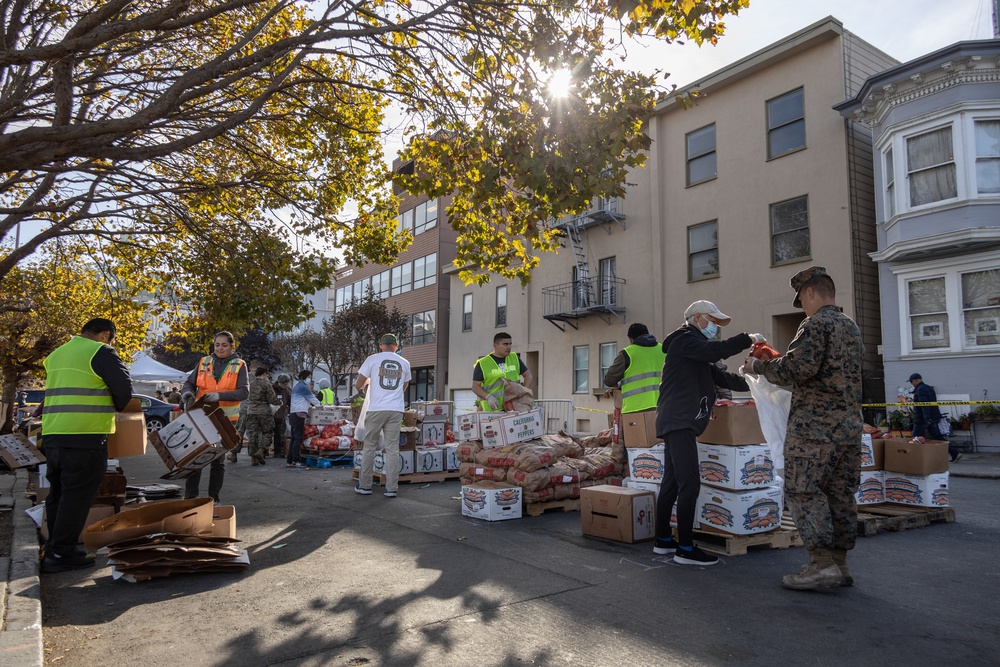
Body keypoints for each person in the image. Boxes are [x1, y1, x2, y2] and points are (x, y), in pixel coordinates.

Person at [743, 266, 863, 590]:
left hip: (815, 430)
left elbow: (798, 368)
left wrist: (759, 366)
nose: (803, 308)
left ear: (810, 292)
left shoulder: (815, 324)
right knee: (840, 494)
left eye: (802, 300)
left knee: (804, 491)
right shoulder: (850, 327)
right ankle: (839, 563)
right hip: (849, 429)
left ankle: (821, 564)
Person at [653, 300, 762, 567]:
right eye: (712, 321)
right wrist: (747, 339)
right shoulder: (685, 341)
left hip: (677, 420)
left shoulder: (695, 352)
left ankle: (664, 541)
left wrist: (758, 381)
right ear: (698, 318)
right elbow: (717, 351)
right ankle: (686, 548)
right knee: (689, 483)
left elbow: (723, 378)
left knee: (672, 481)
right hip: (679, 421)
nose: (715, 327)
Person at [40, 318, 132, 573]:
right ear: (105, 335)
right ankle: (61, 553)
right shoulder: (101, 351)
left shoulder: (57, 354)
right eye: (111, 339)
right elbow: (124, 390)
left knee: (58, 493)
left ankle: (54, 548)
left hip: (54, 433)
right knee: (77, 496)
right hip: (85, 434)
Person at [181, 331, 249, 502]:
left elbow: (244, 392)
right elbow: (189, 382)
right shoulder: (204, 362)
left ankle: (214, 499)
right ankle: (190, 498)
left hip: (225, 421)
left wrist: (220, 397)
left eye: (224, 345)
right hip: (201, 417)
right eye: (217, 345)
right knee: (195, 458)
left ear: (232, 346)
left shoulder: (239, 365)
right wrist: (187, 393)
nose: (220, 348)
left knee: (217, 461)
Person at [355, 334, 411, 498]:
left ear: (380, 345)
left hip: (376, 409)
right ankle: (391, 488)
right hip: (396, 409)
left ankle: (365, 486)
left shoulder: (372, 359)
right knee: (393, 449)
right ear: (396, 345)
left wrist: (363, 388)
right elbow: (404, 385)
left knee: (370, 446)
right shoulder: (405, 363)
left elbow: (359, 383)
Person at [603, 323, 666, 414]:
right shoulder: (663, 350)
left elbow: (609, 380)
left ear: (631, 338)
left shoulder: (627, 353)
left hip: (635, 409)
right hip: (663, 407)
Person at [472, 332, 533, 412]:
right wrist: (488, 397)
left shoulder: (514, 358)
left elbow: (528, 375)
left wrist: (523, 392)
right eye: (505, 344)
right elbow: (475, 386)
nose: (509, 347)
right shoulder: (483, 363)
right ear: (495, 346)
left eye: (510, 344)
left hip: (513, 407)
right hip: (493, 410)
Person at [909, 373, 959, 462]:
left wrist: (926, 418)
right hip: (933, 417)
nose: (911, 384)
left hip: (922, 419)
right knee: (938, 437)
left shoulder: (920, 390)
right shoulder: (928, 388)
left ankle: (911, 458)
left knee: (915, 438)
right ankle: (954, 452)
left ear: (916, 381)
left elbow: (924, 405)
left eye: (911, 382)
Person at [244, 367, 279, 465]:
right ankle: (261, 450)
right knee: (267, 431)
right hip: (264, 411)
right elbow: (272, 399)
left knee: (253, 434)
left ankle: (253, 458)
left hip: (251, 410)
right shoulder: (266, 385)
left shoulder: (250, 384)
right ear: (264, 374)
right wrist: (279, 402)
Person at [288, 369, 321, 467]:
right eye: (309, 377)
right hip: (299, 415)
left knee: (294, 438)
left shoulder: (297, 387)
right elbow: (312, 398)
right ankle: (296, 460)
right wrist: (320, 405)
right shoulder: (303, 387)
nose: (310, 380)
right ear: (303, 377)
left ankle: (290, 460)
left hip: (294, 414)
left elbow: (304, 401)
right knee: (298, 438)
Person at [272, 373, 292, 459]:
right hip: (271, 414)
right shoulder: (271, 388)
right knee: (267, 434)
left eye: (286, 384)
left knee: (279, 434)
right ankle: (264, 451)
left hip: (281, 415)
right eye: (283, 384)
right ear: (279, 382)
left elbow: (290, 401)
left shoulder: (287, 390)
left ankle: (277, 451)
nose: (284, 386)